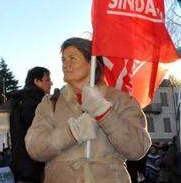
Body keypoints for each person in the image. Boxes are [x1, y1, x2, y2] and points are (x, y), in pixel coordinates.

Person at [25, 37, 151, 183]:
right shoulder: (50, 103)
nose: (66, 64)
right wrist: (72, 133)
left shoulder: (119, 99)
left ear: (91, 63)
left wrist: (105, 113)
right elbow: (34, 148)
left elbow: (138, 148)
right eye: (64, 60)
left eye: (72, 58)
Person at [9, 66, 52, 183]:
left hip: (22, 165)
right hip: (33, 165)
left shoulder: (21, 100)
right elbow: (41, 130)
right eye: (47, 80)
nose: (51, 83)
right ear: (36, 81)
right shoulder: (36, 101)